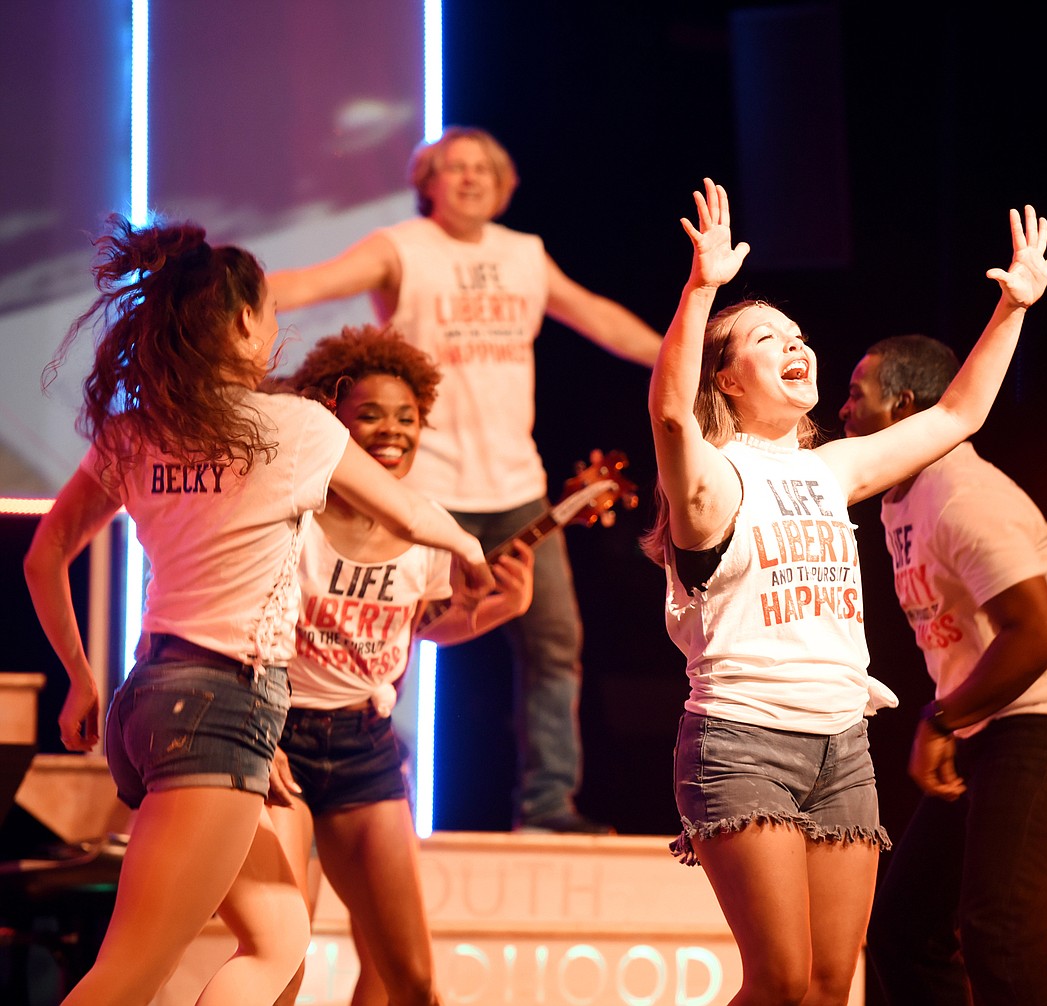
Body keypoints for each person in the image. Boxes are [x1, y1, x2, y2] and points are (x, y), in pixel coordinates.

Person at [23, 216, 492, 1006]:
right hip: (219, 708)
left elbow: (46, 556)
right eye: (270, 312)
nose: (277, 330)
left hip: (147, 700)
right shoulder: (295, 428)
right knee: (128, 973)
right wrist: (473, 551)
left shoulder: (138, 430)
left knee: (277, 941)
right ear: (241, 321)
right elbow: (410, 517)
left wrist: (78, 676)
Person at [642, 178, 1047, 1005]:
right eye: (766, 339)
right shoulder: (713, 484)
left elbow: (958, 416)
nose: (797, 345)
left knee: (831, 986)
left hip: (843, 746)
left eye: (799, 334)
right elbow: (670, 419)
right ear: (726, 380)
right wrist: (701, 293)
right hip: (742, 742)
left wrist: (1012, 309)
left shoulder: (829, 471)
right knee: (783, 982)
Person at [268, 125, 661, 832]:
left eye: (484, 168)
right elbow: (312, 282)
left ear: (506, 185)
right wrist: (222, 298)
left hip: (516, 489)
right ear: (428, 186)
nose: (471, 178)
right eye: (454, 168)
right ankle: (364, 795)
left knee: (554, 643)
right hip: (424, 494)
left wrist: (677, 358)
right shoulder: (401, 248)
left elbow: (596, 315)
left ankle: (547, 806)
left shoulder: (524, 255)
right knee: (388, 638)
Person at [839, 334, 1047, 1005]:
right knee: (904, 932)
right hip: (994, 727)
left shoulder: (961, 495)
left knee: (1003, 940)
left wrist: (942, 719)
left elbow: (1037, 636)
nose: (843, 410)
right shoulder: (900, 495)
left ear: (903, 407)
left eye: (857, 394)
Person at [266, 324, 535, 1006]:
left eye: (408, 418)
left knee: (406, 976)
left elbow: (422, 630)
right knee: (280, 952)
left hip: (365, 748)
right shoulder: (291, 513)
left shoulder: (427, 527)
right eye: (371, 415)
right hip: (279, 740)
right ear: (332, 420)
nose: (393, 431)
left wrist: (502, 609)